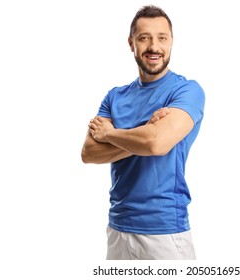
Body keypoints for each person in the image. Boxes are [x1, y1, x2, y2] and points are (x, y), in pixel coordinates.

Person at [81, 5, 205, 260]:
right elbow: (89, 153)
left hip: (164, 232)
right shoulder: (114, 97)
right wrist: (145, 132)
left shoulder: (187, 91)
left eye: (162, 38)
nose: (154, 47)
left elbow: (156, 143)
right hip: (117, 228)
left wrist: (109, 134)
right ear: (131, 43)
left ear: (171, 41)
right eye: (144, 37)